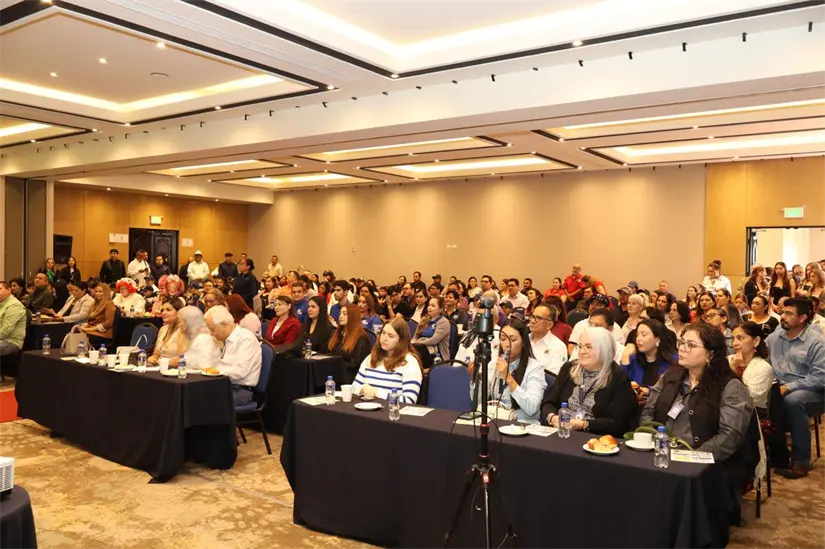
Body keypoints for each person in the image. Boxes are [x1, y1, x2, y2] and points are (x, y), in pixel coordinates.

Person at [642, 323, 754, 507]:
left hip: (705, 465)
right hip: (662, 454)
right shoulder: (671, 375)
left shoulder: (730, 386)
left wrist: (691, 458)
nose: (682, 349)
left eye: (691, 345)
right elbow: (648, 411)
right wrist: (654, 441)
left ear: (710, 354)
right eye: (682, 343)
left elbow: (729, 437)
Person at [766, 297, 825, 478]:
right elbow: (760, 353)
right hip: (779, 388)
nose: (782, 316)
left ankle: (801, 460)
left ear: (802, 318)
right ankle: (774, 454)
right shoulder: (777, 336)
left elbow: (820, 377)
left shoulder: (817, 342)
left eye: (789, 313)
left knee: (793, 400)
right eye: (783, 312)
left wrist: (789, 387)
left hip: (815, 391)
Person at [542, 326, 636, 436]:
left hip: (596, 439)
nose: (582, 351)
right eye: (580, 346)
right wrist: (552, 417)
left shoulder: (618, 377)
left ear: (604, 350)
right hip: (562, 432)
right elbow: (548, 402)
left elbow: (617, 423)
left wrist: (584, 424)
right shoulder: (568, 368)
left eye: (588, 347)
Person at [351, 317, 423, 404]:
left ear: (401, 340)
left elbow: (409, 401)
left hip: (392, 413)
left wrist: (376, 393)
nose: (384, 338)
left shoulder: (409, 362)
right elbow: (353, 388)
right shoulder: (371, 357)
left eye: (391, 336)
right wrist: (362, 389)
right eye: (383, 333)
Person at [205, 306, 262, 405]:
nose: (211, 334)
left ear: (224, 324)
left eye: (212, 329)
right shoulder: (223, 340)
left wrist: (215, 372)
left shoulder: (245, 338)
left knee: (202, 400)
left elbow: (240, 372)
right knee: (193, 394)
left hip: (240, 390)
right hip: (224, 385)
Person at [621, 319, 676, 406]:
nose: (638, 339)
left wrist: (648, 390)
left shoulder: (673, 361)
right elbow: (620, 388)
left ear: (657, 339)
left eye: (644, 335)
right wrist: (625, 359)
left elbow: (672, 390)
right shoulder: (633, 359)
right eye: (637, 335)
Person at [729, 321, 773, 412]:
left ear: (756, 341)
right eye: (733, 339)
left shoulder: (763, 367)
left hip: (752, 414)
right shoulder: (727, 360)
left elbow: (747, 398)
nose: (735, 343)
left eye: (740, 338)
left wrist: (732, 370)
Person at [527, 304, 568, 375]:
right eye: (532, 317)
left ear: (549, 325)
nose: (532, 321)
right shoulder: (523, 340)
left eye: (538, 318)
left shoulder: (558, 346)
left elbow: (552, 378)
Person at [412, 297, 451, 369]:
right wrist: (412, 344)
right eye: (429, 305)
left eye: (433, 306)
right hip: (421, 351)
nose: (429, 308)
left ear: (441, 309)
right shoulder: (424, 319)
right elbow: (415, 336)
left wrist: (417, 344)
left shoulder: (444, 322)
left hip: (437, 356)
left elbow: (434, 340)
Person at [146, 297, 186, 367]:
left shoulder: (184, 330)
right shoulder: (162, 329)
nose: (163, 313)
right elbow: (156, 354)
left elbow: (182, 359)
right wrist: (153, 358)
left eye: (168, 310)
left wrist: (160, 362)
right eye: (162, 310)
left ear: (179, 312)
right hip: (159, 368)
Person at [0, 281, 27, 356]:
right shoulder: (1, 304)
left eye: (0, 289)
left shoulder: (14, 305)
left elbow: (6, 331)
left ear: (9, 290)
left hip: (11, 342)